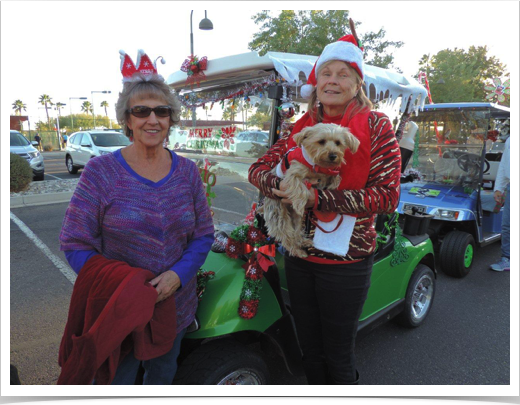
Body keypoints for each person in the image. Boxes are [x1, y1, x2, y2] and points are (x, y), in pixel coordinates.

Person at [249, 35, 401, 384]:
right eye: (326, 73)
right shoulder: (298, 129)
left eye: (343, 74)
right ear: (316, 83)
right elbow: (257, 170)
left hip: (346, 263)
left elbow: (387, 197)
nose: (332, 80)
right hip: (300, 257)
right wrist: (283, 187)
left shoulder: (377, 126)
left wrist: (318, 199)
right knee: (309, 350)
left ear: (357, 82)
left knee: (338, 352)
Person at [59, 50, 215, 385]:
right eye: (141, 111)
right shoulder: (101, 172)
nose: (152, 119)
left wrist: (178, 275)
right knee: (118, 377)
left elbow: (203, 234)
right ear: (128, 120)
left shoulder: (187, 172)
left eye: (162, 111)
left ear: (171, 119)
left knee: (162, 372)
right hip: (120, 310)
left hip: (173, 304)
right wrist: (123, 286)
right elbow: (75, 242)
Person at [490, 135, 510, 271]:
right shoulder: (510, 140)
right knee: (507, 225)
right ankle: (507, 258)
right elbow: (504, 164)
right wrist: (499, 188)